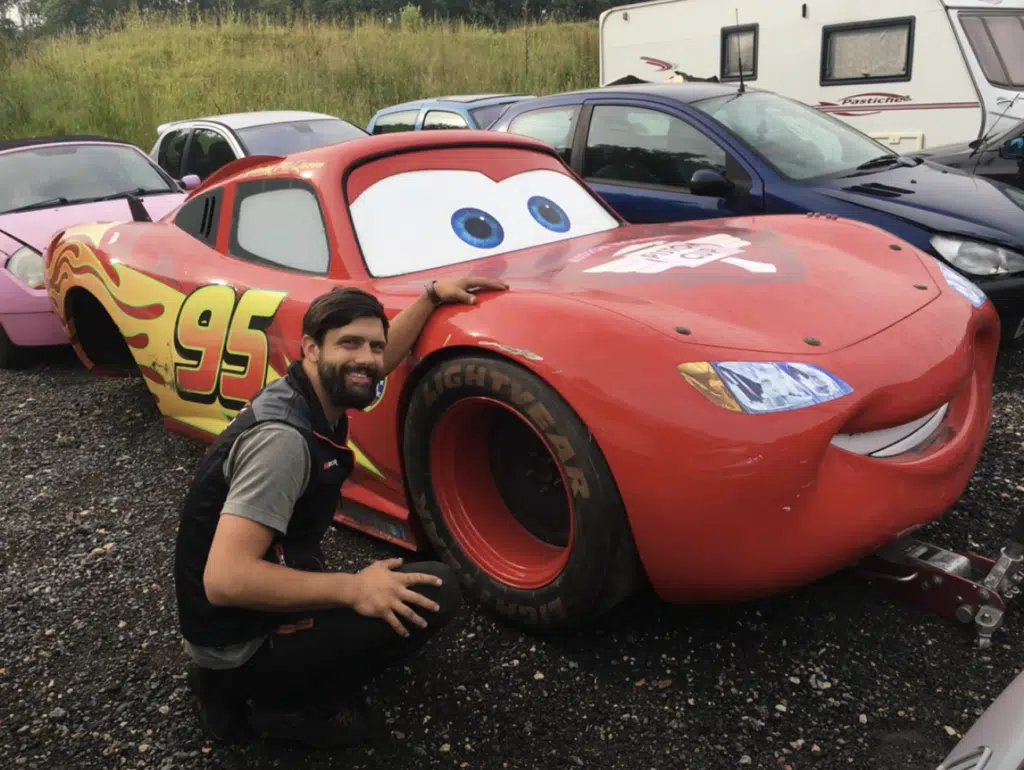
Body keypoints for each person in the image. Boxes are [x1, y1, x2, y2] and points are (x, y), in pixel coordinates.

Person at [172, 276, 508, 749]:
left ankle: (252, 674)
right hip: (235, 640)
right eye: (349, 343)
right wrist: (352, 589)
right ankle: (272, 704)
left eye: (373, 344)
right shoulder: (283, 442)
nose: (367, 358)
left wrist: (432, 297)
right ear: (311, 348)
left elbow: (375, 366)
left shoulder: (313, 392)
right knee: (436, 588)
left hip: (231, 618)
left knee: (398, 592)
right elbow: (225, 579)